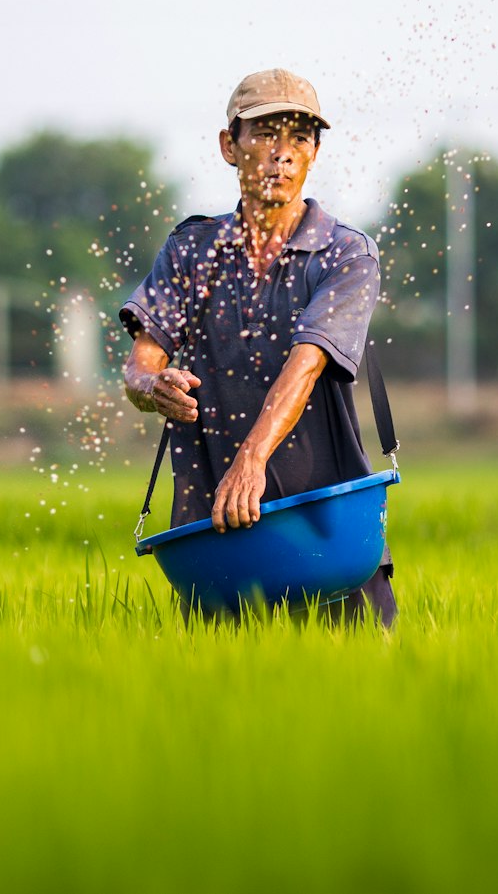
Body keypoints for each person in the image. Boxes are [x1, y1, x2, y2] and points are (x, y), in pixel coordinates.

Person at [118, 69, 396, 627]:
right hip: (218, 536)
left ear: (316, 153)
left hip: (330, 528)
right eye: (266, 135)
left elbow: (307, 362)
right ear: (229, 146)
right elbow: (140, 364)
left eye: (299, 138)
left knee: (368, 700)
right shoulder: (191, 251)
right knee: (226, 705)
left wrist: (251, 459)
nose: (282, 155)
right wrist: (154, 386)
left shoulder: (345, 255)